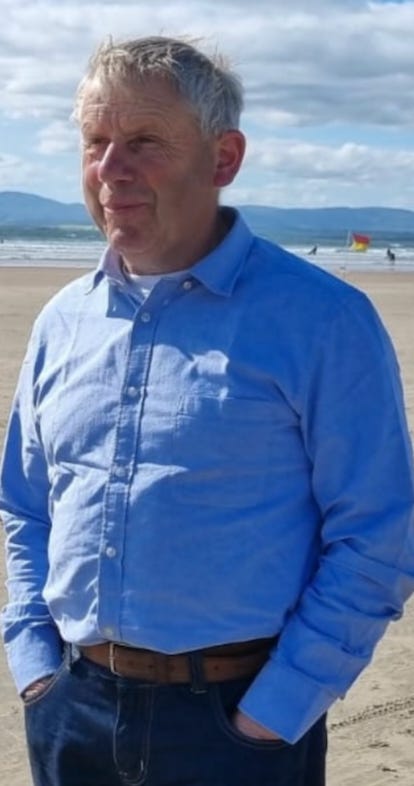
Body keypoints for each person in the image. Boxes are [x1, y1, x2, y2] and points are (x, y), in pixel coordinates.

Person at [1, 36, 414, 786]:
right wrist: (33, 662)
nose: (110, 169)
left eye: (144, 142)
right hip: (72, 710)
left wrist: (274, 712)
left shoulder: (322, 320)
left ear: (223, 159)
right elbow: (26, 505)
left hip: (238, 727)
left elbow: (379, 533)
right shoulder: (63, 321)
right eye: (94, 142)